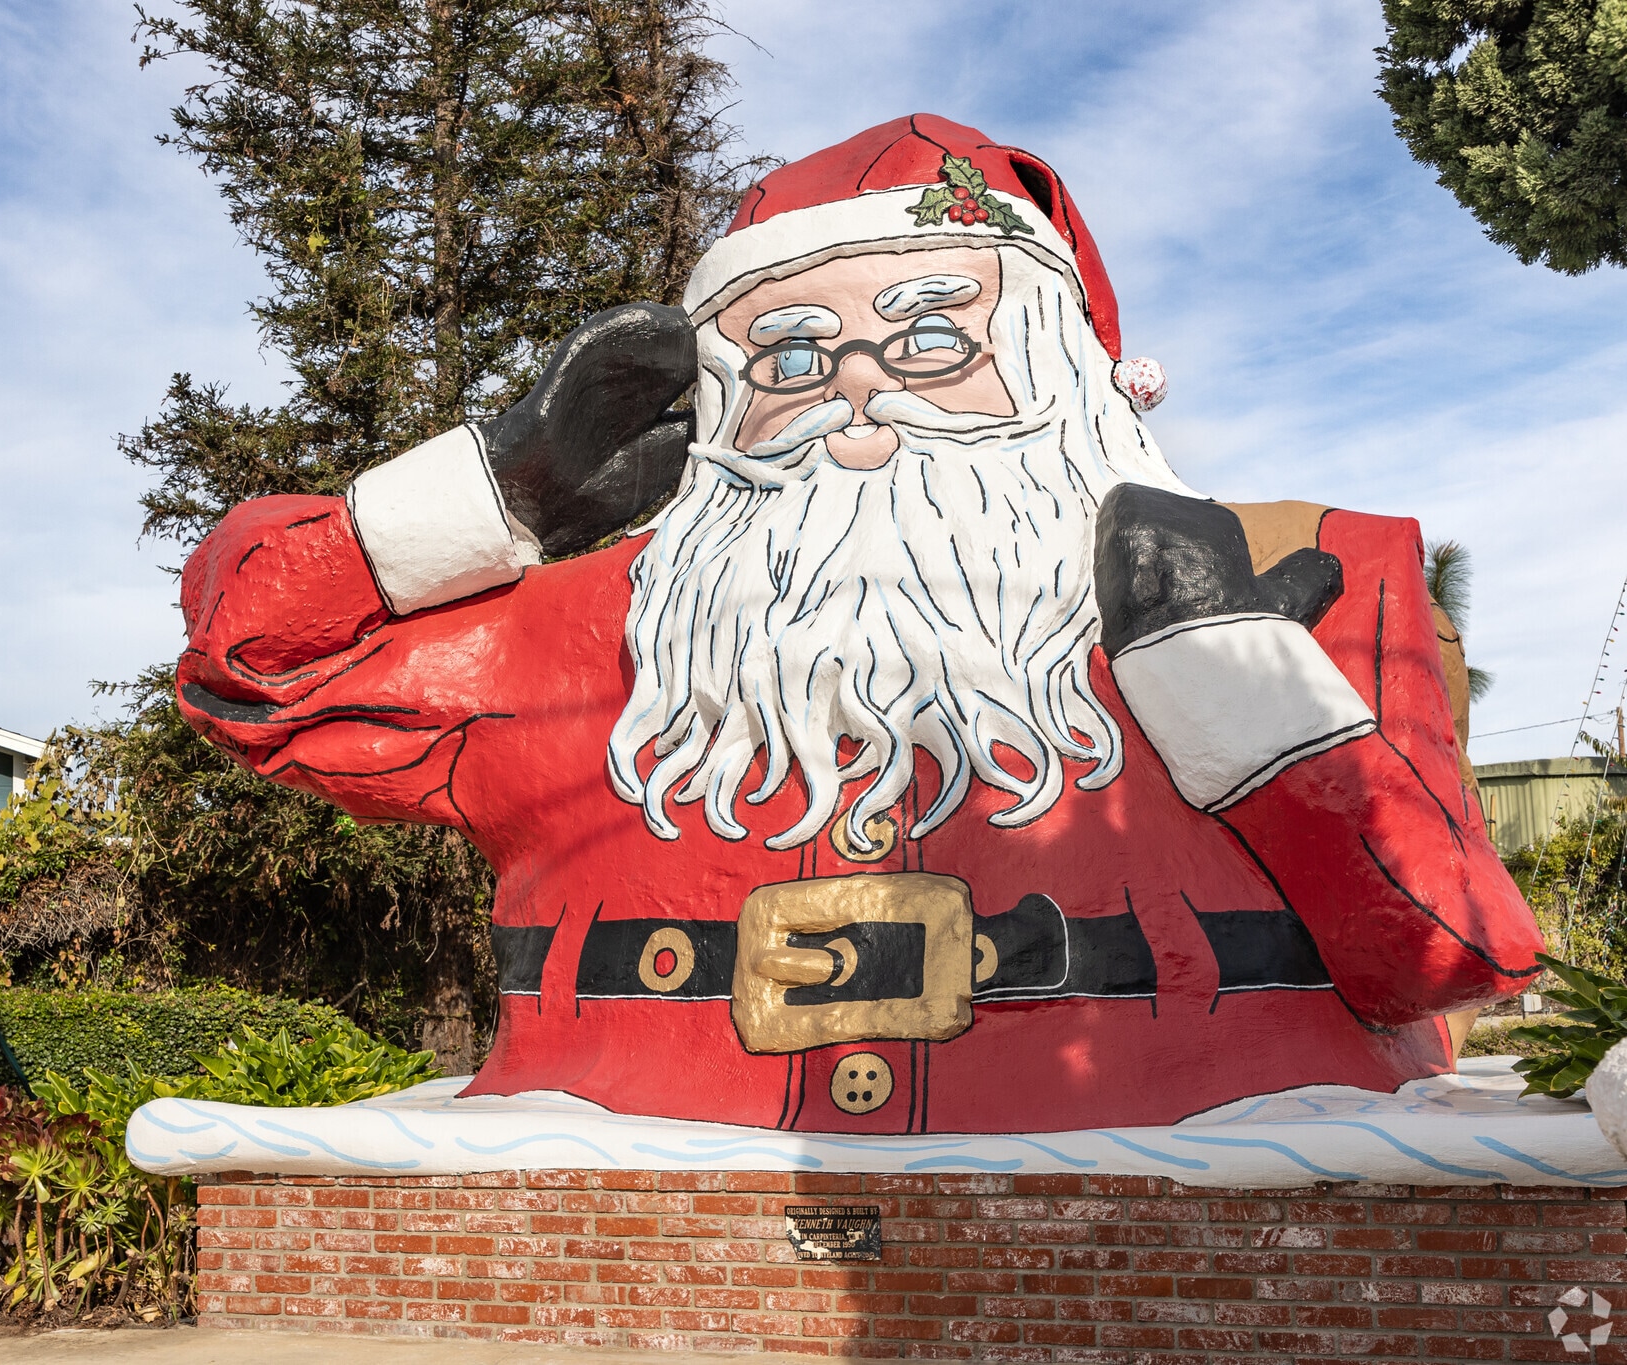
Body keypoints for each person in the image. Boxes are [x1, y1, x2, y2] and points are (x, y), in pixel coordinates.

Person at [173, 114, 1543, 1135]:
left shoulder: (1304, 572)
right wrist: (501, 485)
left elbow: (1441, 957)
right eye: (785, 353)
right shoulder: (582, 631)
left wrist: (1246, 709)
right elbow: (256, 674)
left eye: (933, 334)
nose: (859, 387)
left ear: (1068, 375)